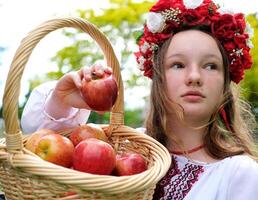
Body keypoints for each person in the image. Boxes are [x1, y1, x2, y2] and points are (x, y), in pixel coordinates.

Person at [21, 0, 258, 199]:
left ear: (226, 84)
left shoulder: (240, 174)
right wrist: (64, 101)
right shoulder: (127, 146)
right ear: (158, 78)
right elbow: (38, 150)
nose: (194, 76)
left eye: (210, 65)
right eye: (178, 64)